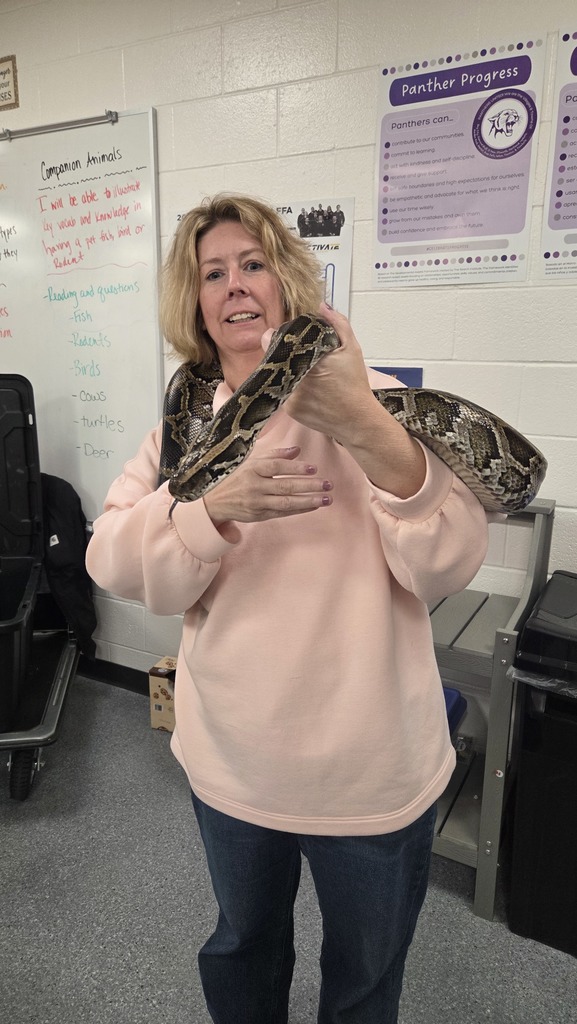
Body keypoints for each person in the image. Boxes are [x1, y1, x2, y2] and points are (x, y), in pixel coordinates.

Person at [86, 193, 489, 1024]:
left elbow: (447, 564)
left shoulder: (371, 397)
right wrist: (209, 508)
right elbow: (112, 560)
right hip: (233, 762)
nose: (235, 285)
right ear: (193, 301)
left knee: (368, 974)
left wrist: (363, 429)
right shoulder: (182, 429)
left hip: (372, 771)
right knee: (242, 946)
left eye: (253, 263)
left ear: (289, 282)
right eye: (213, 272)